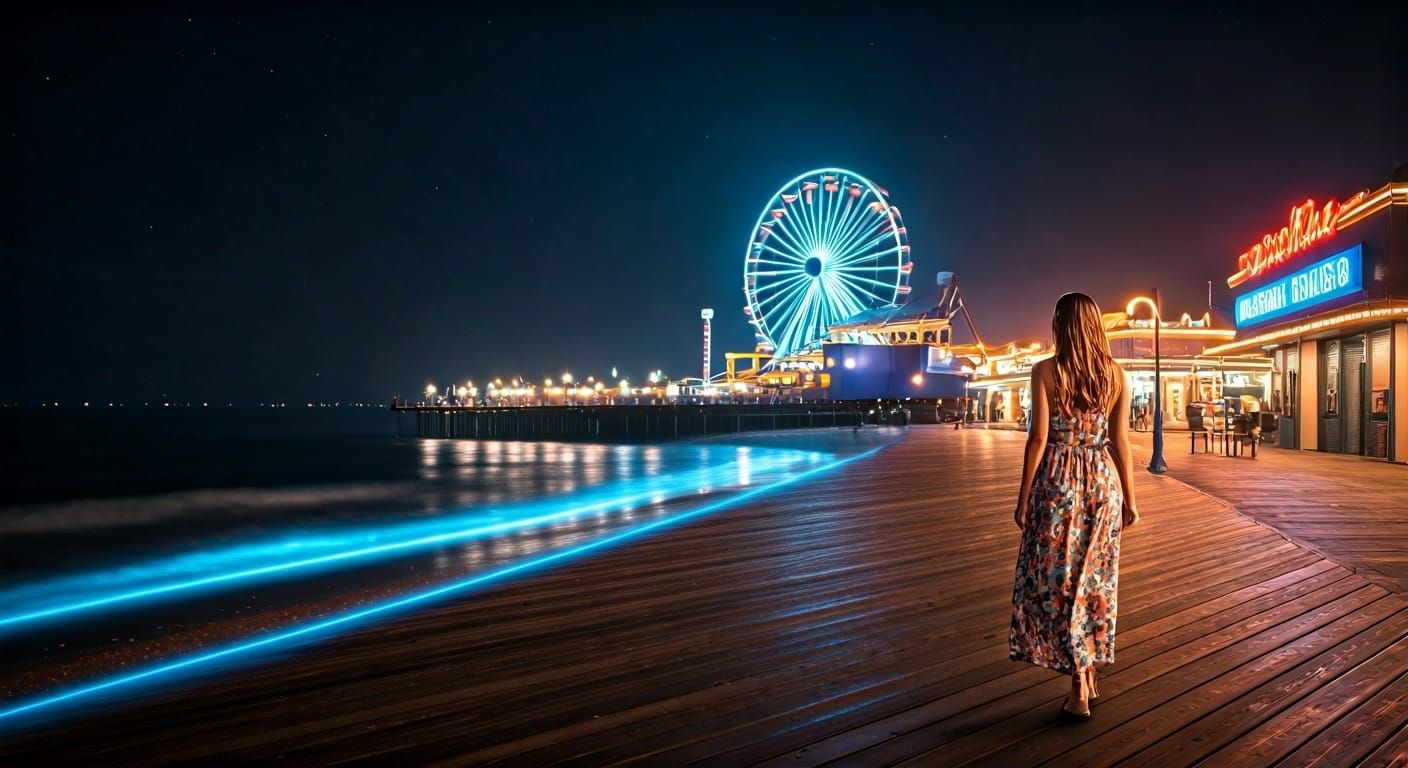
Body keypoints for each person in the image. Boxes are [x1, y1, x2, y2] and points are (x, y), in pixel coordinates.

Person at [1009, 292, 1140, 721]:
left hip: (1057, 482)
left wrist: (1024, 496)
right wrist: (1130, 500)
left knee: (1061, 582)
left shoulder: (1046, 371)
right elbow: (1120, 442)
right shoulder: (1116, 375)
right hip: (1103, 481)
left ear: (1060, 325)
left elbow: (1037, 439)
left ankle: (1078, 685)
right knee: (1094, 583)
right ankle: (1088, 669)